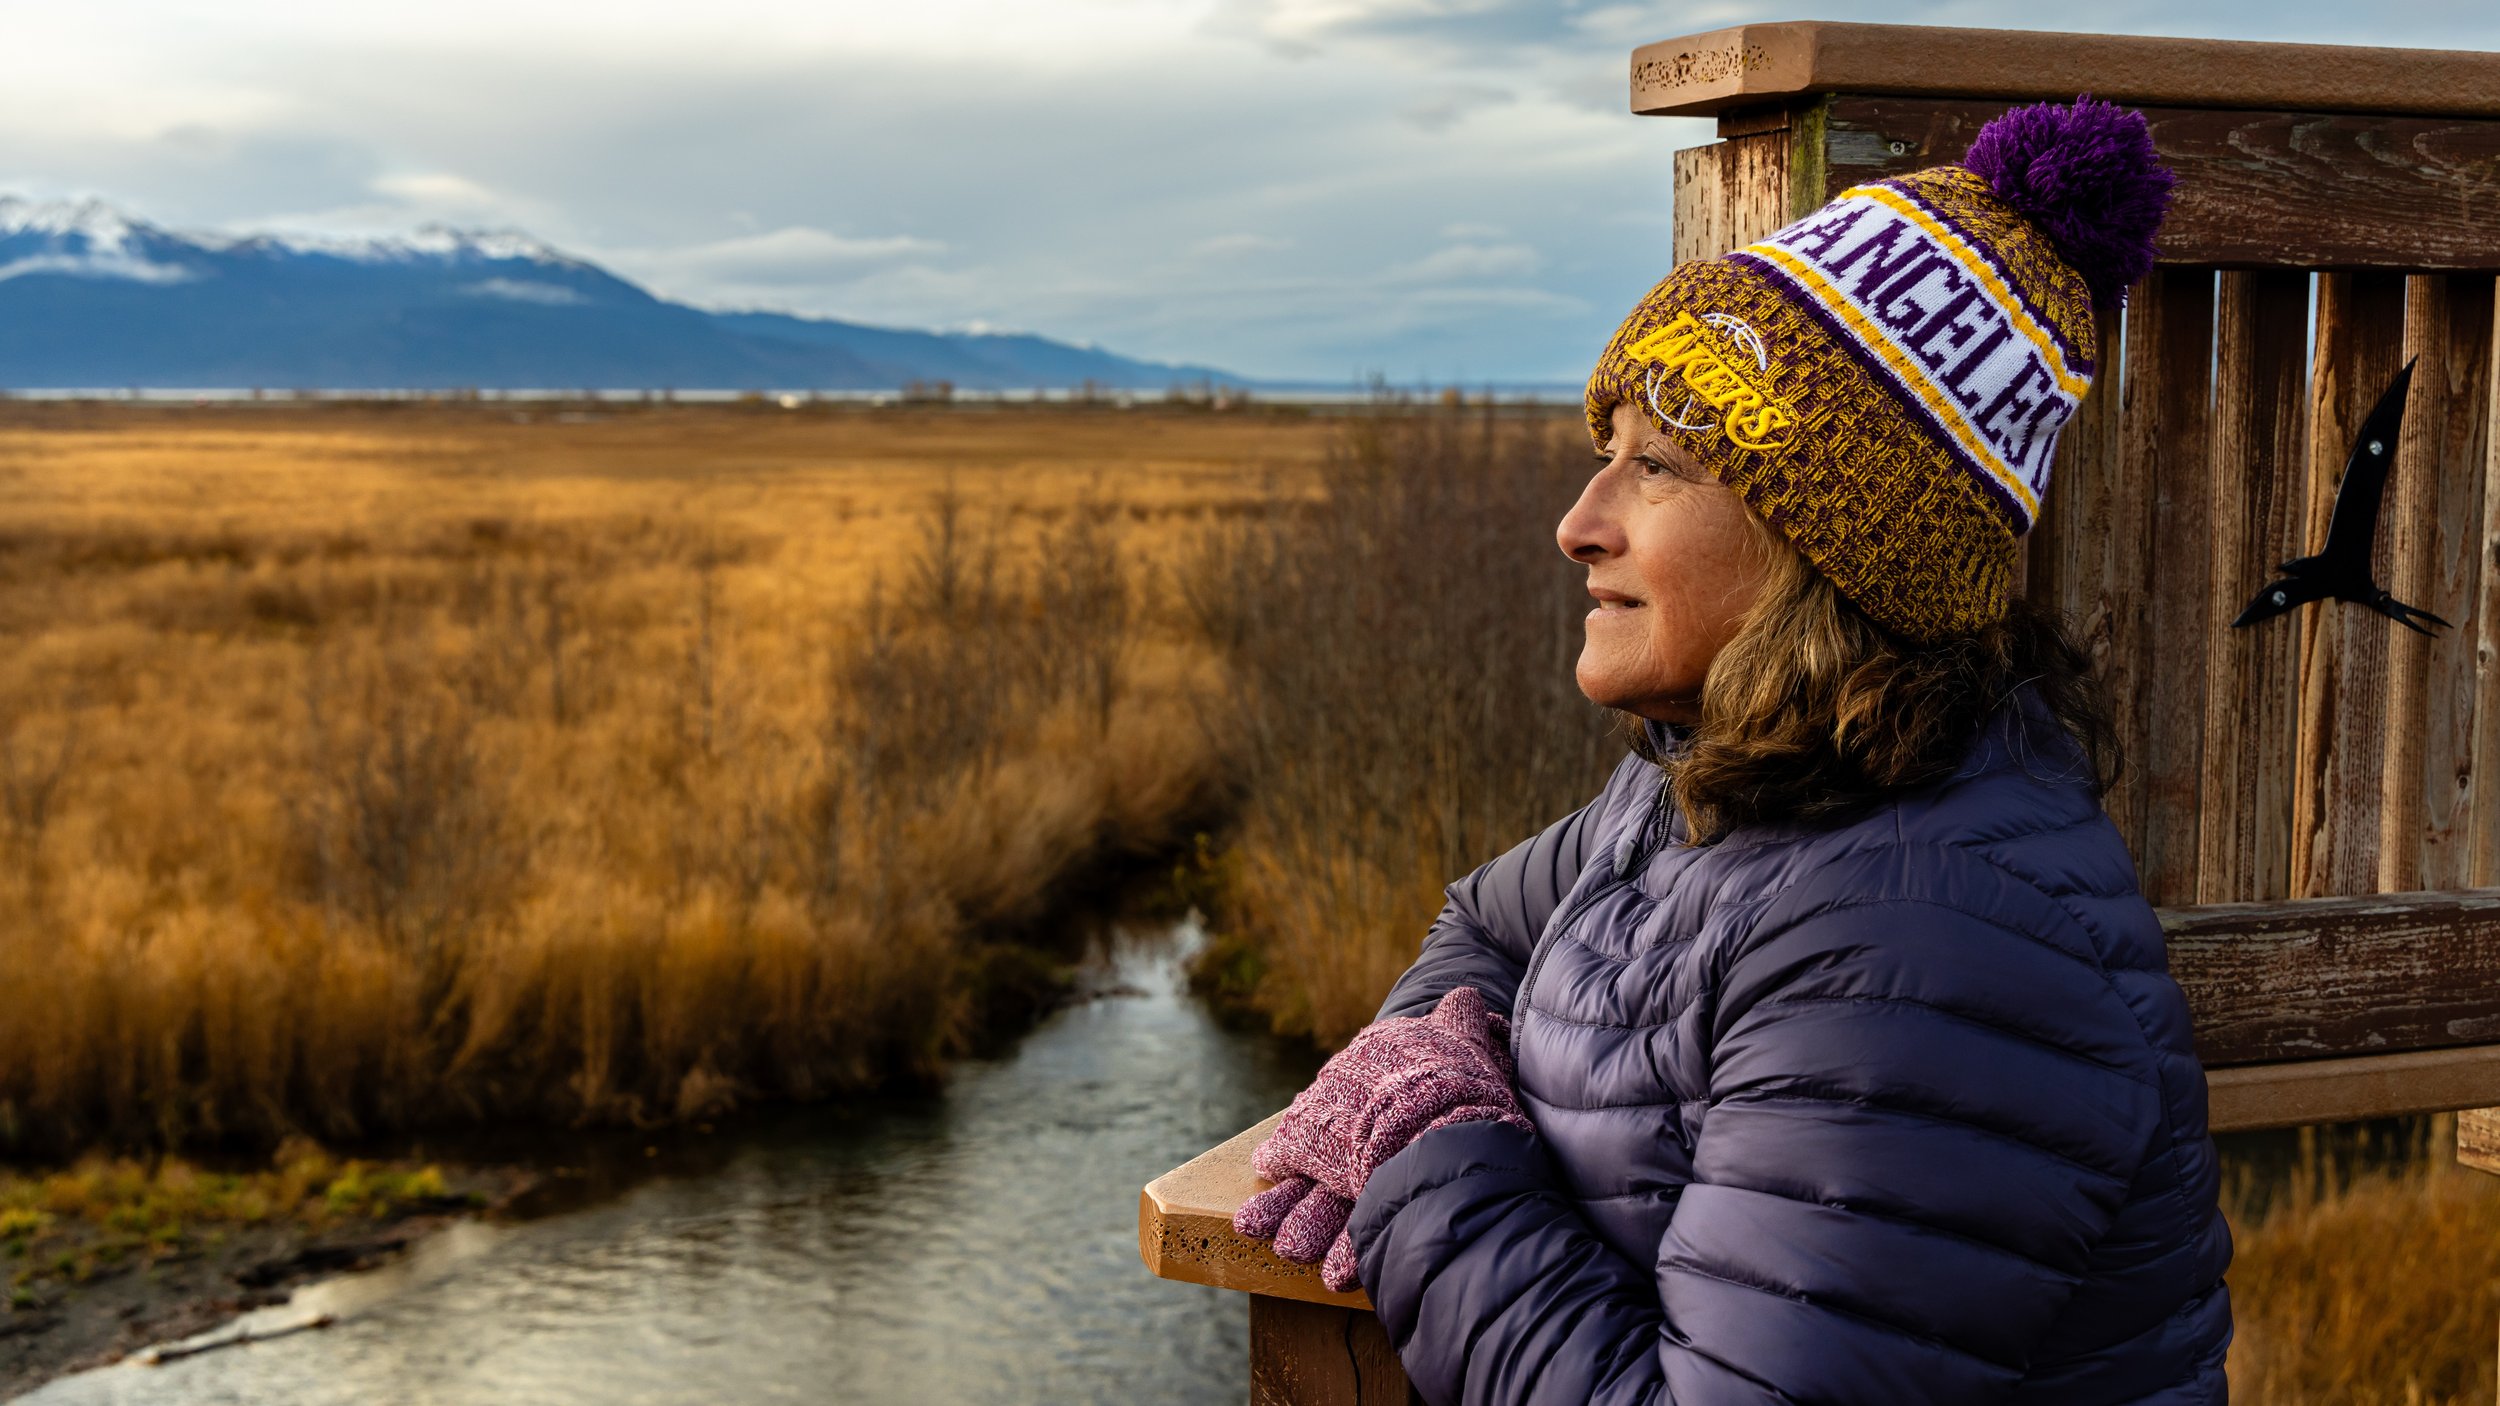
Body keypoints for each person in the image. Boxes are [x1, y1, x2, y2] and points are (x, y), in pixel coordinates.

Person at [1231, 96, 2233, 1404]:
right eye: (1606, 455)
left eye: (1658, 466)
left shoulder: (1924, 943)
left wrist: (1428, 1144)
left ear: (1835, 545)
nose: (1579, 522)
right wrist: (1434, 1054)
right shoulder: (1710, 786)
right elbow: (1482, 921)